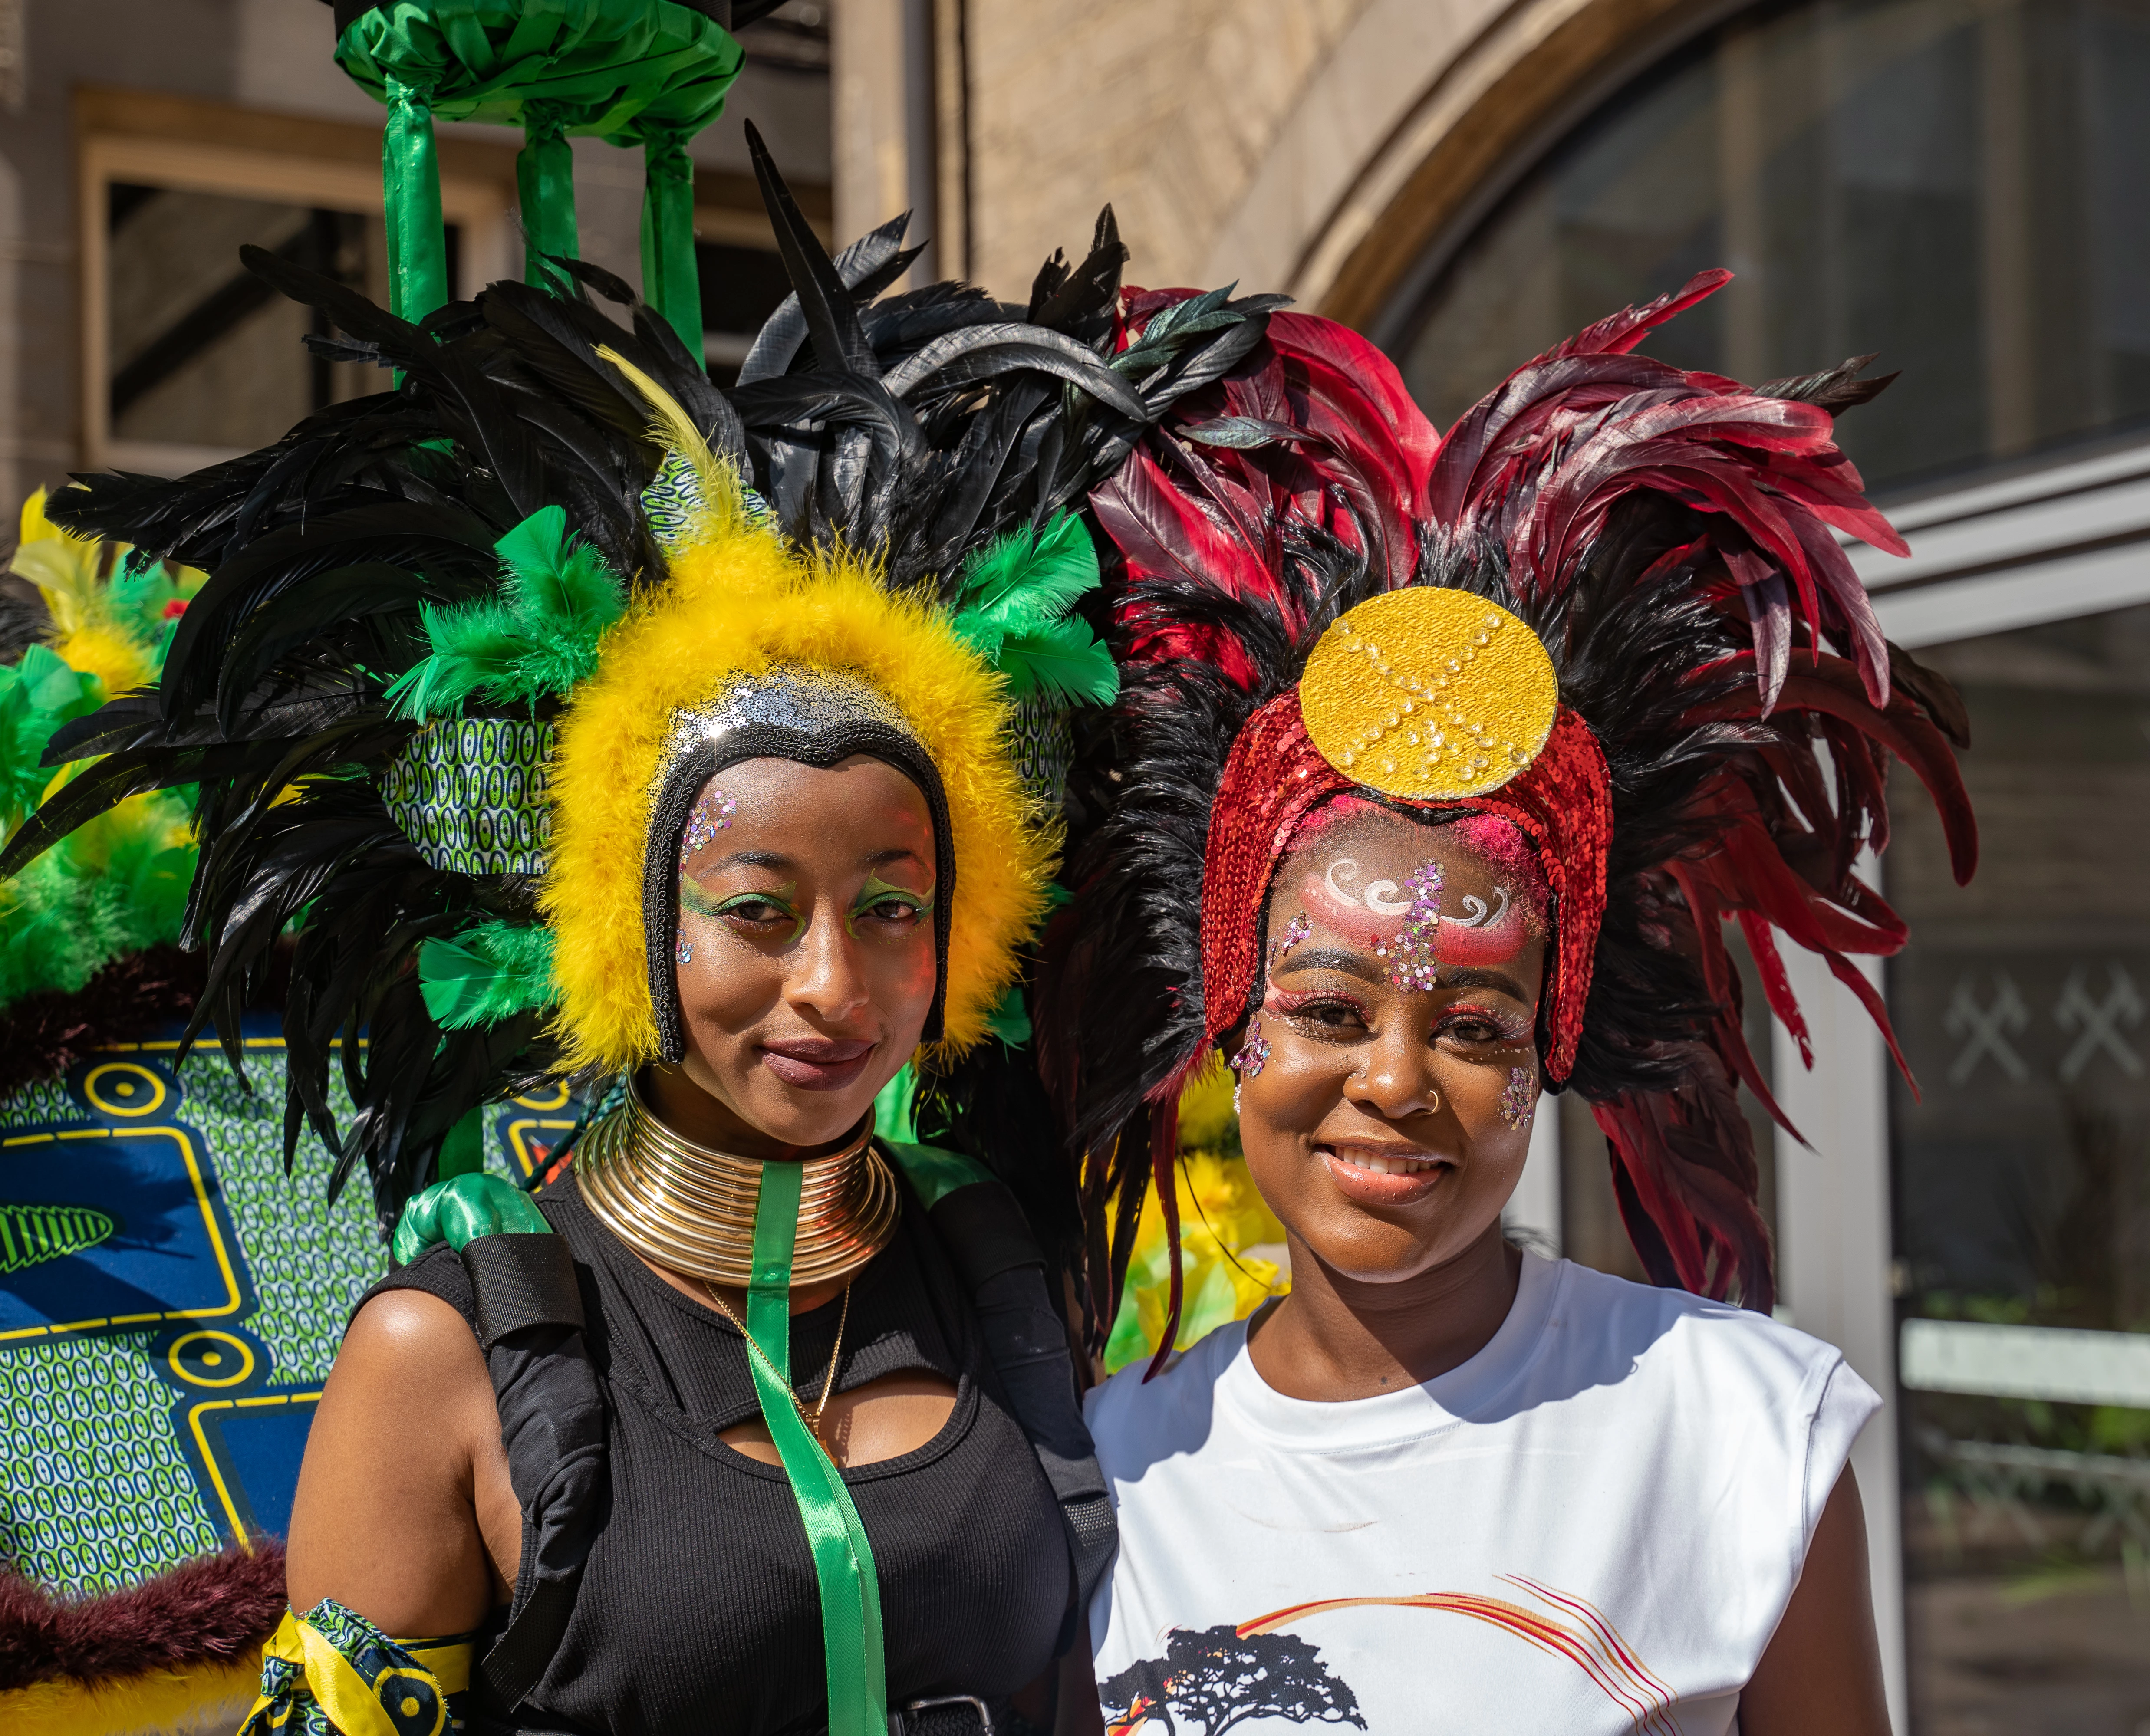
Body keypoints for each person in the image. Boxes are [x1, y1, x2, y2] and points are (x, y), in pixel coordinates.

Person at [7, 111, 1279, 1732]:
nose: (833, 985)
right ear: (628, 928)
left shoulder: (995, 1261)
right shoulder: (447, 1347)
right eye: (757, 911)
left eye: (893, 908)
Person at [1040, 283, 1977, 1733]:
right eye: (1331, 1009)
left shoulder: (1739, 1437)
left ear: (1551, 1048)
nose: (1396, 1082)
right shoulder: (1111, 1468)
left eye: (1475, 1026)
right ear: (1233, 1019)